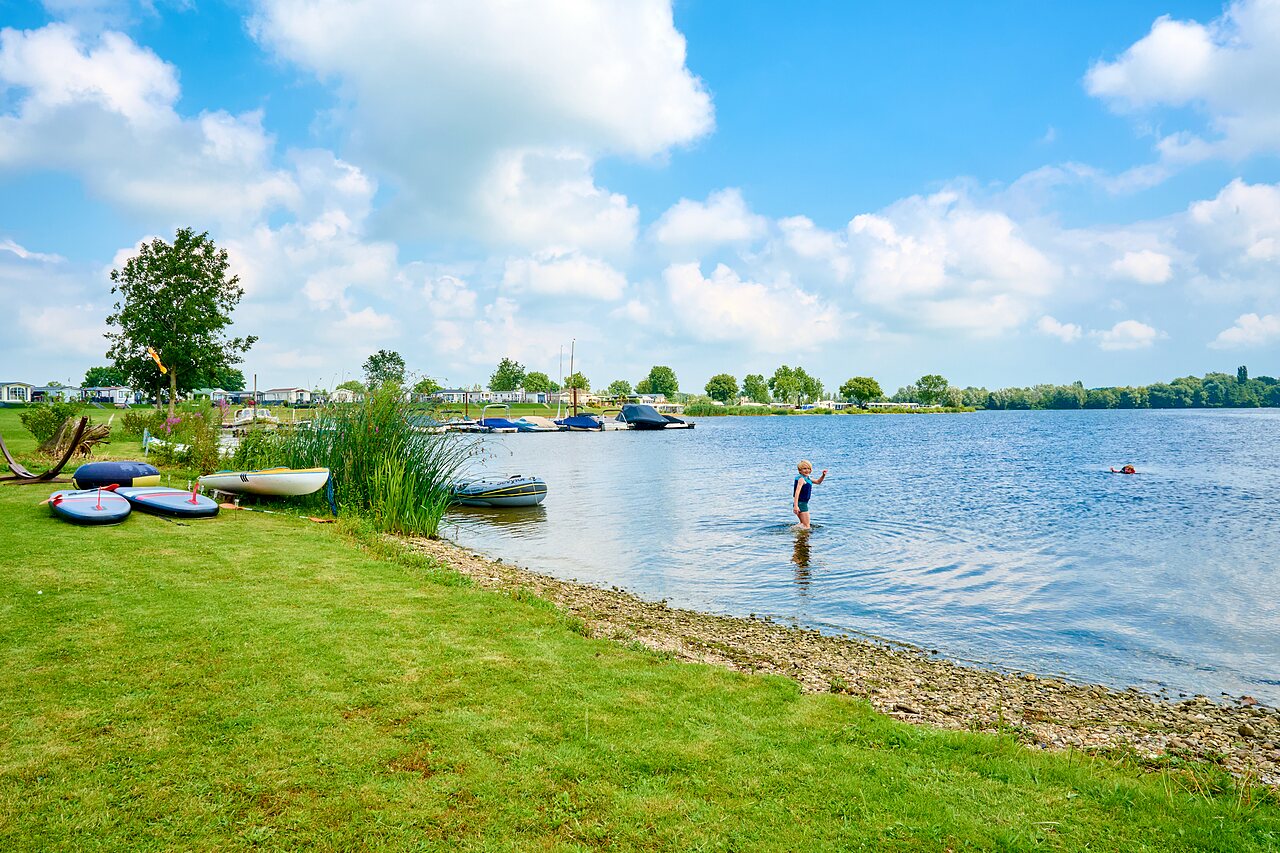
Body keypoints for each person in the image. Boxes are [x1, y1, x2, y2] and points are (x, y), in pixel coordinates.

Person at [792, 459, 828, 530]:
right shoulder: (801, 479)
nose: (807, 470)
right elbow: (797, 492)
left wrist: (823, 475)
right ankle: (793, 531)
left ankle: (798, 536)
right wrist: (796, 506)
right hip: (801, 504)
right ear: (800, 470)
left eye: (809, 468)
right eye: (804, 468)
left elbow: (818, 482)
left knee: (803, 524)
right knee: (807, 526)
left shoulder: (807, 478)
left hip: (802, 503)